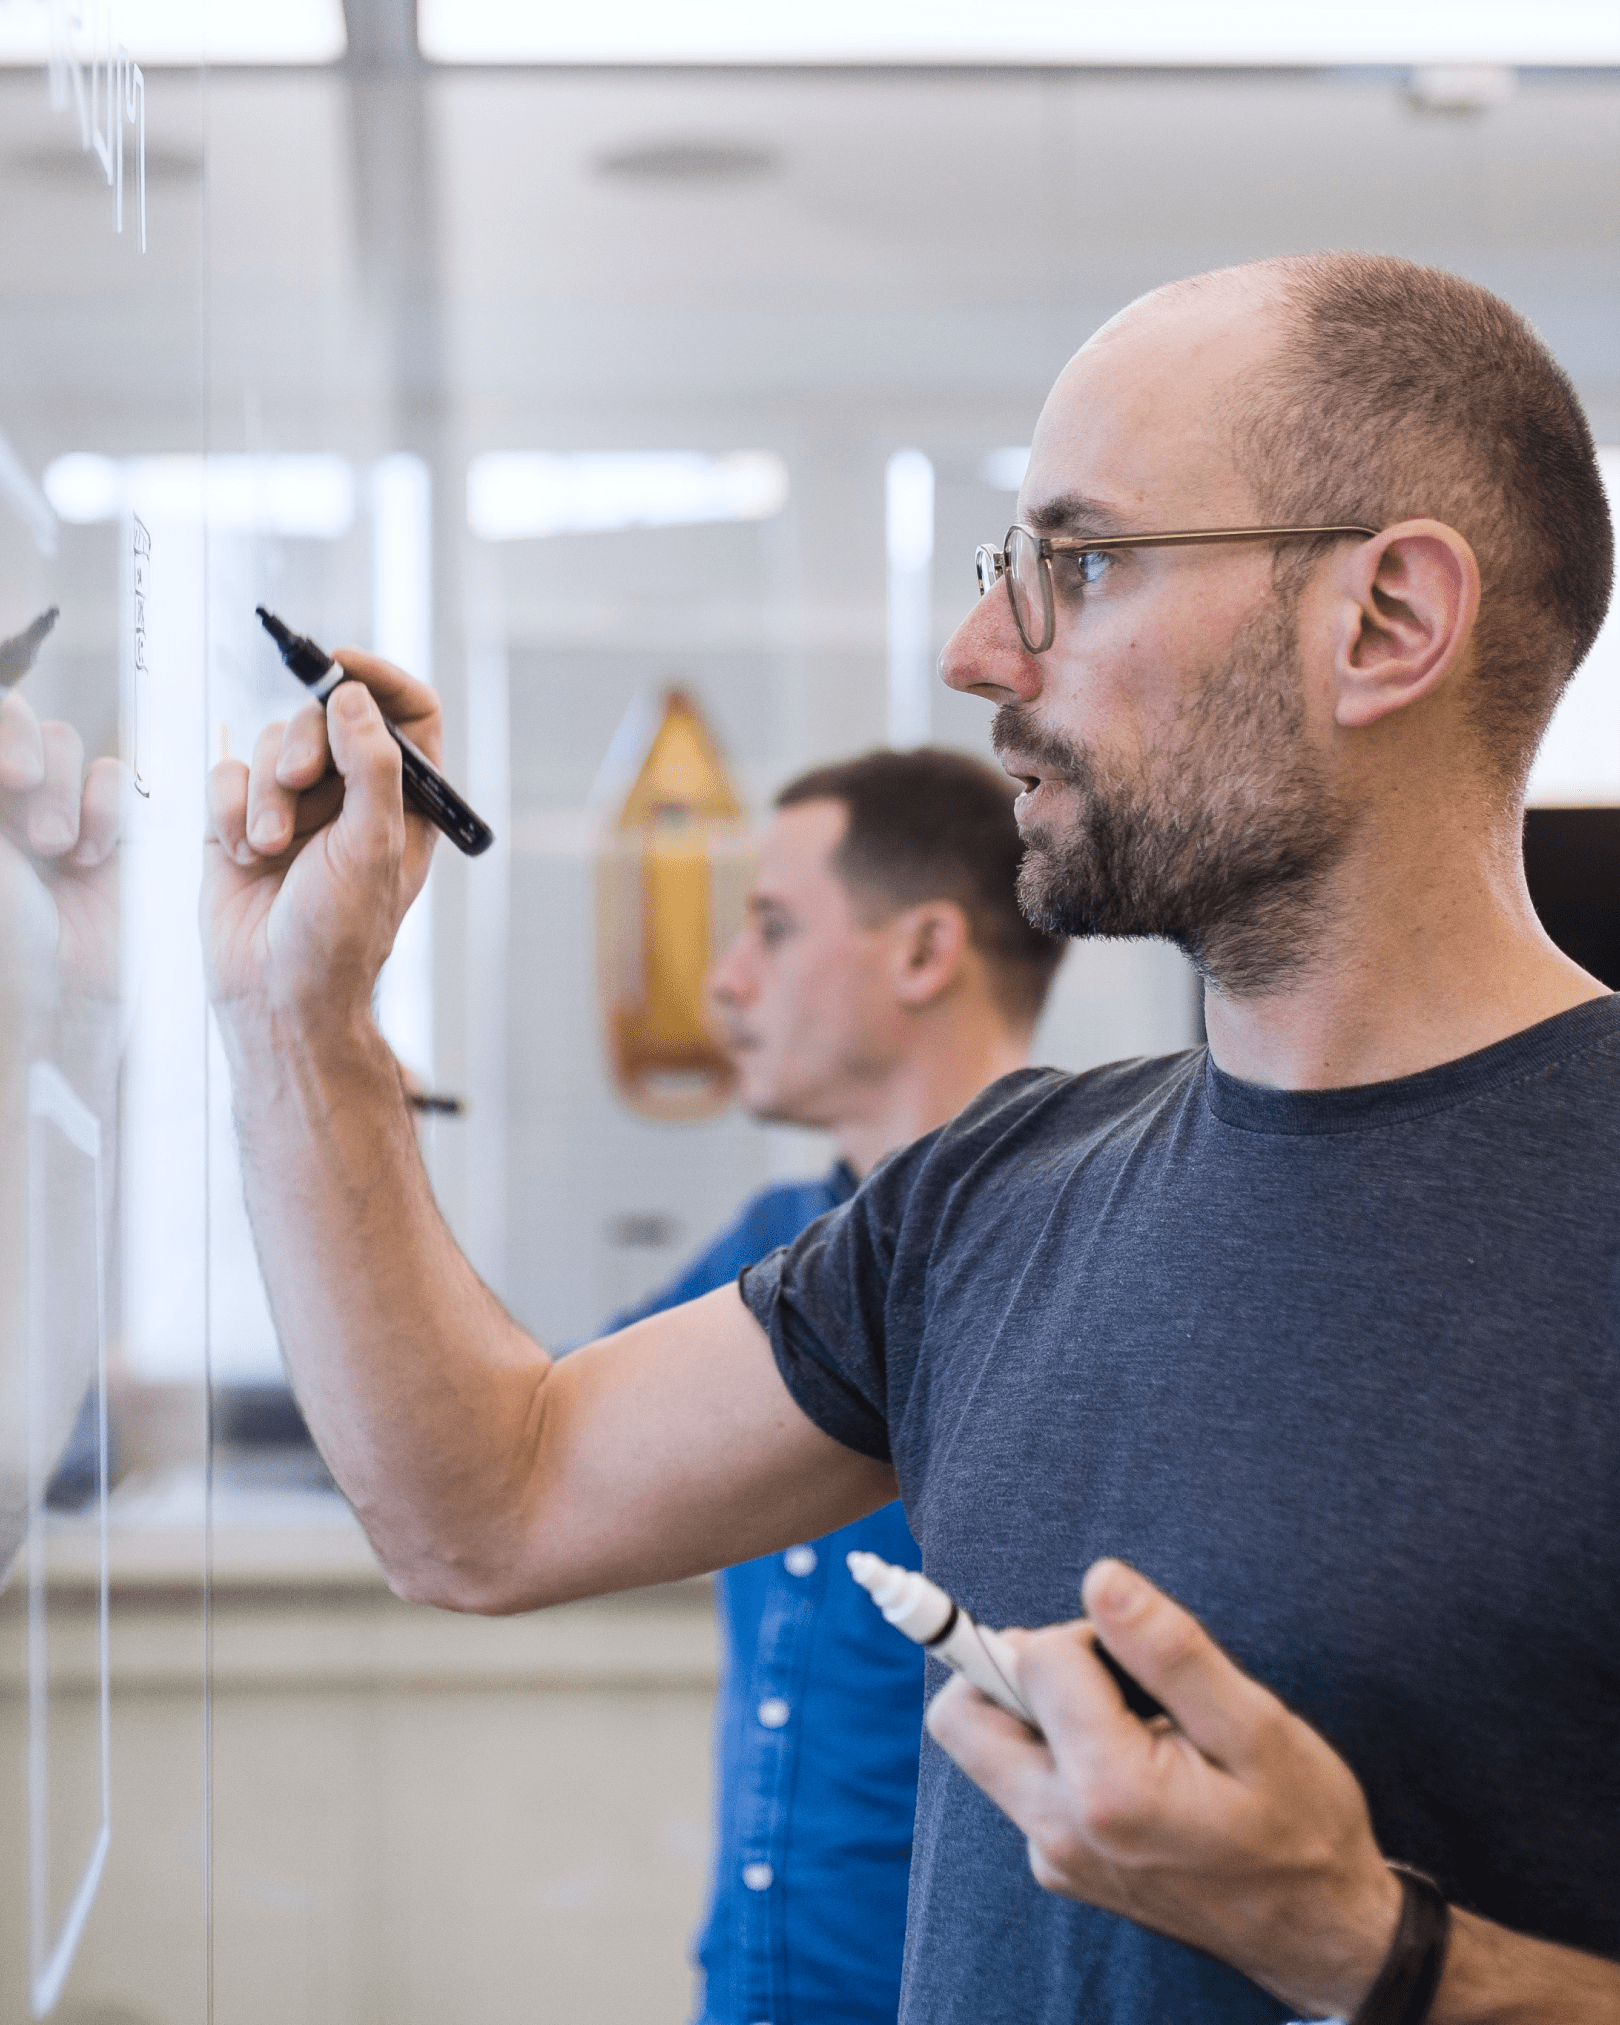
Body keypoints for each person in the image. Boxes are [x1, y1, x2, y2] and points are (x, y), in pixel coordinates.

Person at [201, 250, 1620, 2023]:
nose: (978, 655)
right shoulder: (989, 1203)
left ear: (1388, 621)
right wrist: (296, 1013)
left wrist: (1372, 1949)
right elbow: (483, 1505)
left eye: (1080, 565)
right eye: (1002, 572)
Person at [606, 748, 1064, 2025]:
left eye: (772, 928)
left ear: (923, 954)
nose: (723, 982)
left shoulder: (1084, 1253)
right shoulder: (762, 1245)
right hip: (757, 1988)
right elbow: (511, 1458)